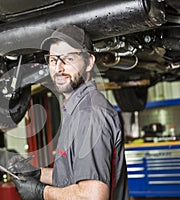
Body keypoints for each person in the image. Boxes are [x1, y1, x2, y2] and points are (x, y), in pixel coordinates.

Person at [8, 25, 129, 200]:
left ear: (89, 62)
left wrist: (42, 192)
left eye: (68, 58)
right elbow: (72, 175)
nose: (59, 68)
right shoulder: (76, 109)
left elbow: (92, 196)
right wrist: (37, 173)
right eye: (52, 60)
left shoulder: (90, 114)